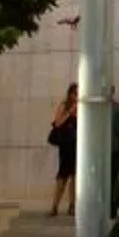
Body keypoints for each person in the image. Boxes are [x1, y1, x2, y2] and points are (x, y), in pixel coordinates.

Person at [47, 85, 78, 216]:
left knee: (75, 177)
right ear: (70, 94)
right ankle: (54, 206)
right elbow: (57, 123)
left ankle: (72, 205)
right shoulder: (64, 106)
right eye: (76, 94)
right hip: (66, 146)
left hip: (77, 146)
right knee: (62, 177)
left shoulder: (82, 108)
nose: (77, 96)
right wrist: (70, 112)